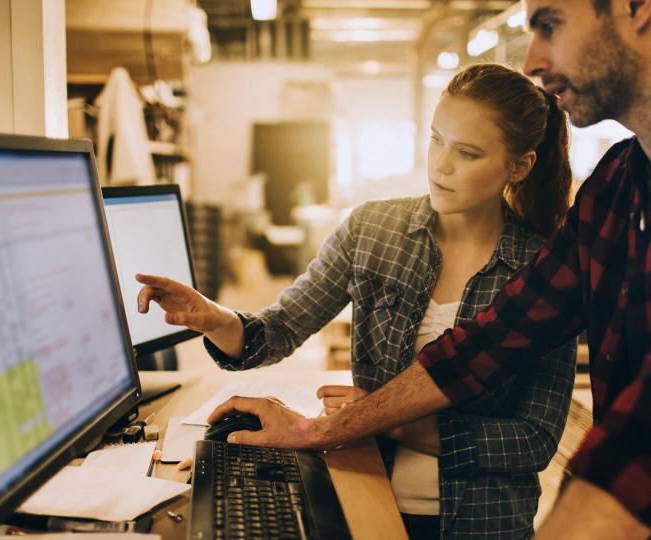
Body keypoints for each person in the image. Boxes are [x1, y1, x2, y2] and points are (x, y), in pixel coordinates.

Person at [205, 0, 651, 538]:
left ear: (638, 5)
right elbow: (488, 344)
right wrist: (315, 432)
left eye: (550, 24)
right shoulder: (617, 186)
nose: (532, 60)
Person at [137, 63, 577, 538]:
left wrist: (384, 420)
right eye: (435, 139)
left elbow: (534, 440)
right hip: (364, 490)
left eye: (466, 153)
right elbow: (279, 329)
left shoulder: (545, 269)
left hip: (480, 523)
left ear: (519, 165)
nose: (440, 164)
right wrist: (213, 317)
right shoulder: (372, 230)